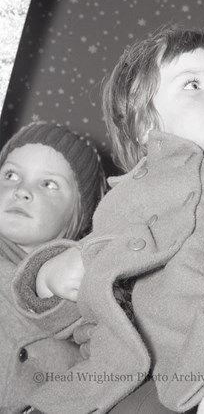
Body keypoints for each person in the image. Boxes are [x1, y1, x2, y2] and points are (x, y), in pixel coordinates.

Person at [12, 25, 204, 414]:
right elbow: (91, 274)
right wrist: (50, 278)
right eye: (192, 85)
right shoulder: (125, 196)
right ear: (144, 122)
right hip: (105, 372)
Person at [0, 122, 105, 414]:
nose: (21, 190)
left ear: (78, 216)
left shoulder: (90, 284)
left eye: (48, 184)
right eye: (10, 175)